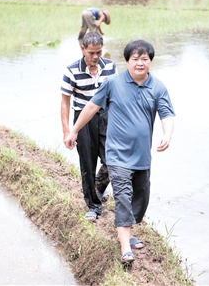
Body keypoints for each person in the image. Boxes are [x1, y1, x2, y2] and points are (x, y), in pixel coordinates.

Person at [64, 40, 175, 264]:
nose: (140, 63)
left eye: (144, 59)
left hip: (142, 156)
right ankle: (125, 247)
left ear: (150, 62)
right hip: (116, 155)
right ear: (127, 61)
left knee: (140, 198)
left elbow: (167, 114)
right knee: (123, 196)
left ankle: (128, 233)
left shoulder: (158, 88)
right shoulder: (113, 83)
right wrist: (73, 130)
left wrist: (167, 134)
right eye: (135, 59)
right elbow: (91, 107)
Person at [61, 31, 117, 222]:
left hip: (106, 117)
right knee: (87, 164)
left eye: (99, 52)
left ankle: (98, 189)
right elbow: (65, 102)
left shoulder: (110, 67)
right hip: (83, 120)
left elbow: (117, 96)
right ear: (82, 49)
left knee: (113, 160)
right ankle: (93, 206)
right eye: (91, 53)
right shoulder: (71, 71)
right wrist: (67, 131)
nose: (95, 57)